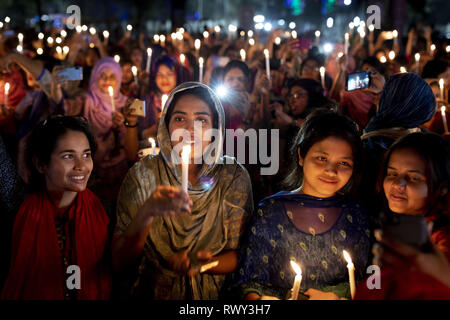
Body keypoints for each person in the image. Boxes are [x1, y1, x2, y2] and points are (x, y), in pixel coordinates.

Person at [112, 82, 254, 299]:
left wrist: (204, 264)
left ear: (216, 128)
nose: (190, 130)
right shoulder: (143, 175)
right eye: (180, 119)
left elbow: (243, 254)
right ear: (166, 124)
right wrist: (147, 213)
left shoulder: (233, 176)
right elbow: (119, 261)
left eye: (201, 120)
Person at [231, 110, 370, 300]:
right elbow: (249, 283)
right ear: (301, 155)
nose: (331, 171)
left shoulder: (355, 214)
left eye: (344, 163)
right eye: (322, 158)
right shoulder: (271, 211)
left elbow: (366, 280)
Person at [1, 116, 111, 300]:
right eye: (68, 156)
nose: (81, 166)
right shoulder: (19, 207)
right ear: (41, 164)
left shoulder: (105, 211)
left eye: (86, 154)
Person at [356, 132, 450, 299]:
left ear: (442, 186)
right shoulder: (389, 225)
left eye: (414, 178)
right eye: (392, 174)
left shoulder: (441, 242)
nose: (397, 184)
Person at [83, 57, 129, 202]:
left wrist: (122, 126)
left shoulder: (126, 103)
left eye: (112, 76)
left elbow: (132, 140)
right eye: (102, 75)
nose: (107, 80)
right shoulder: (87, 101)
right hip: (92, 170)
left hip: (119, 170)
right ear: (95, 77)